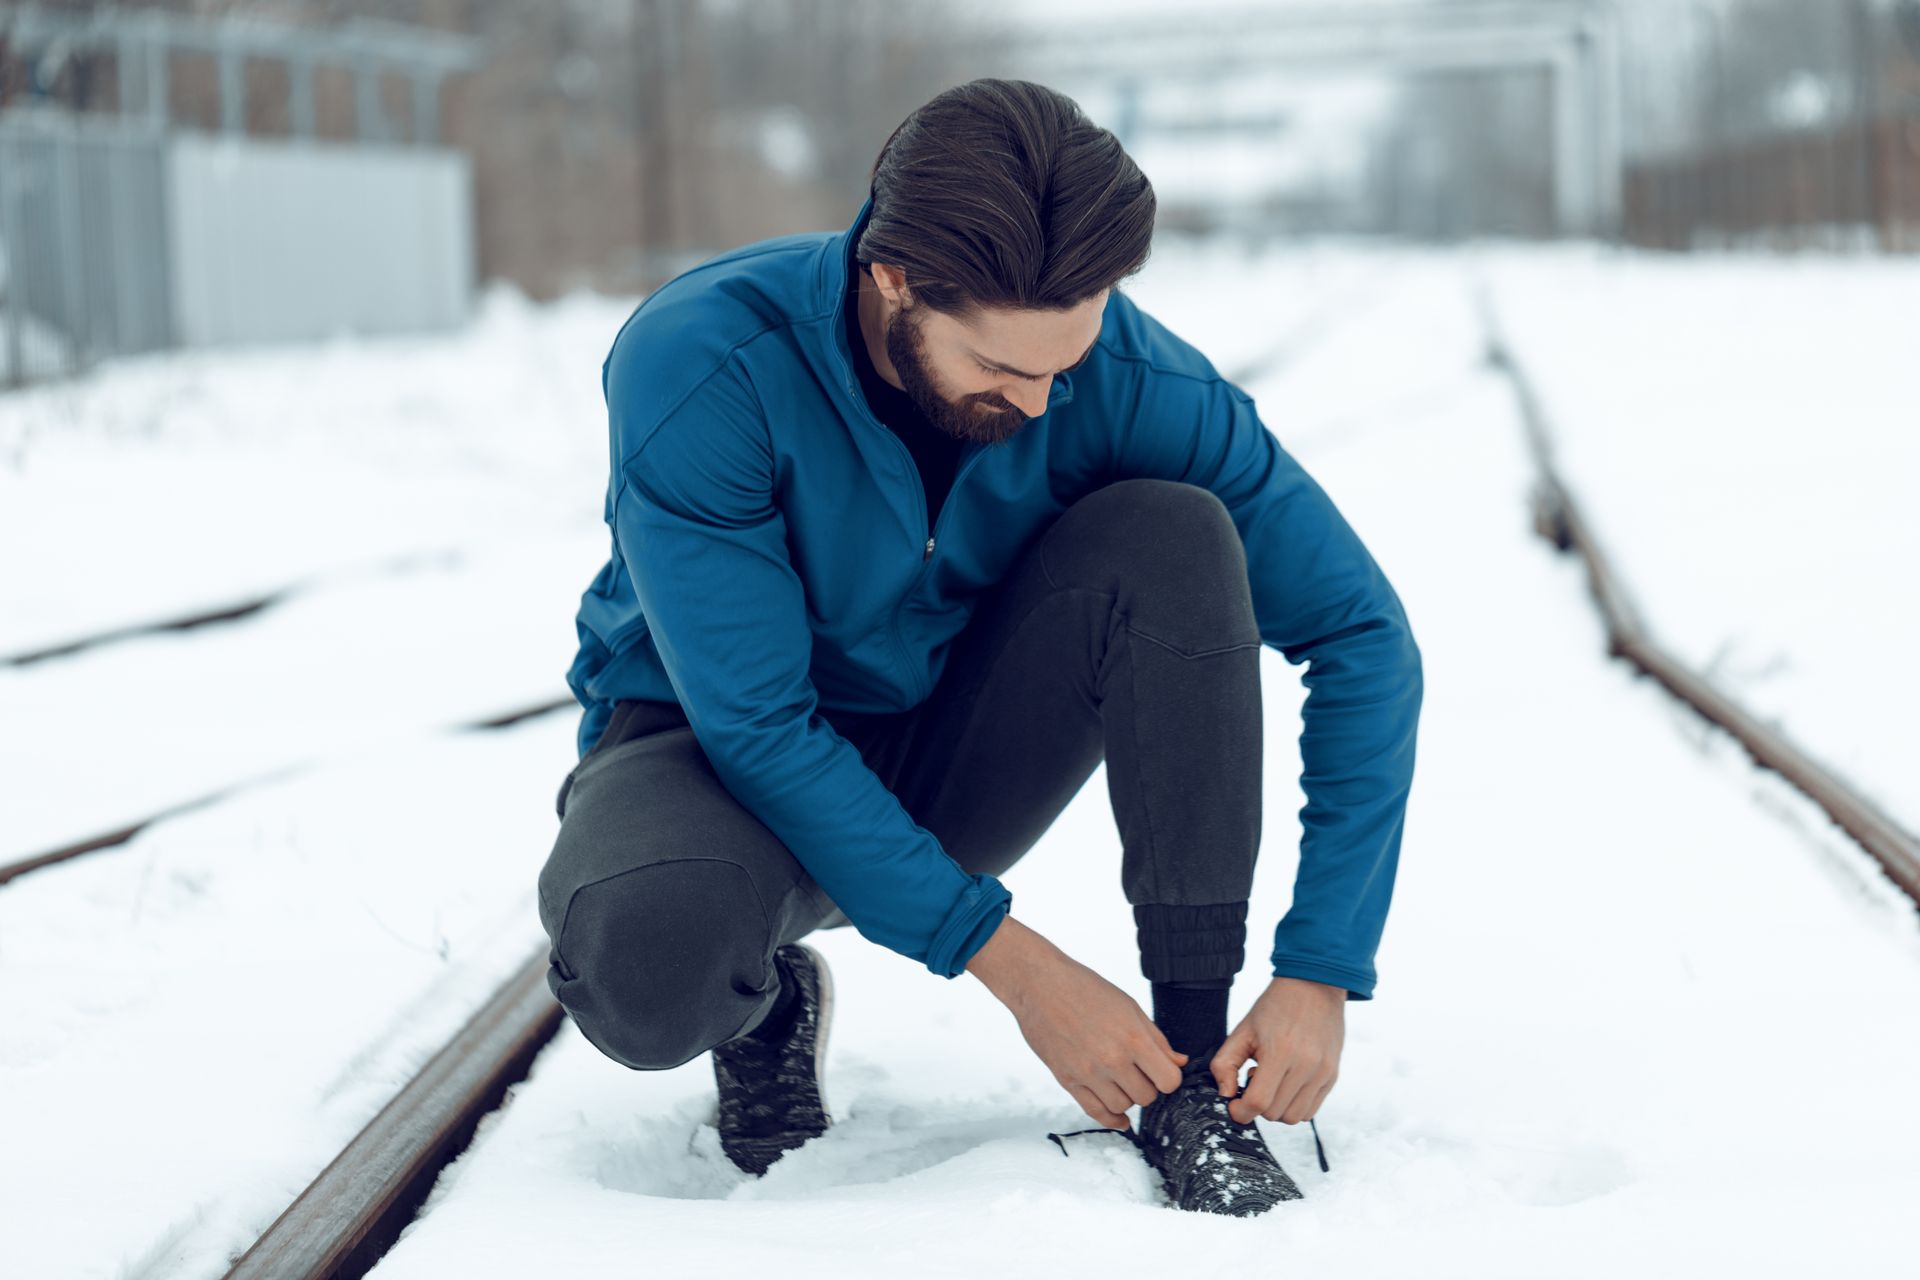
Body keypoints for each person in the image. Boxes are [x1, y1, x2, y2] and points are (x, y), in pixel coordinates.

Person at [538, 78, 1423, 1217]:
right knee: (647, 972)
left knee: (1175, 533)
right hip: (707, 746)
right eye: (1004, 371)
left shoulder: (1130, 380)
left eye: (1067, 361)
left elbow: (1364, 635)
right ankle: (764, 1005)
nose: (1046, 404)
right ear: (892, 277)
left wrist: (1322, 963)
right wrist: (1017, 968)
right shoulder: (707, 361)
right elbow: (759, 724)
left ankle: (1186, 1072)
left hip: (952, 737)